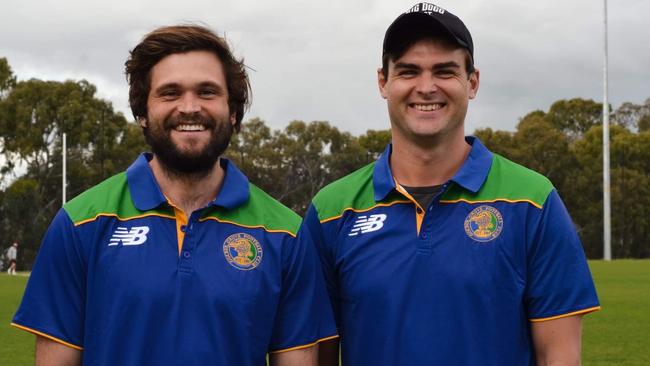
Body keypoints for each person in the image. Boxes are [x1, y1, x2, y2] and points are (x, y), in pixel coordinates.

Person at [12, 25, 336, 366]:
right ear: (141, 113)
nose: (190, 107)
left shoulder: (285, 233)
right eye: (170, 93)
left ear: (234, 112)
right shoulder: (80, 223)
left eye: (208, 92)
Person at [304, 3, 600, 365]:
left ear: (472, 82)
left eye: (444, 71)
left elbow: (560, 356)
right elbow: (315, 353)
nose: (426, 87)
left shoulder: (533, 201)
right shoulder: (332, 211)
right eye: (409, 71)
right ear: (384, 82)